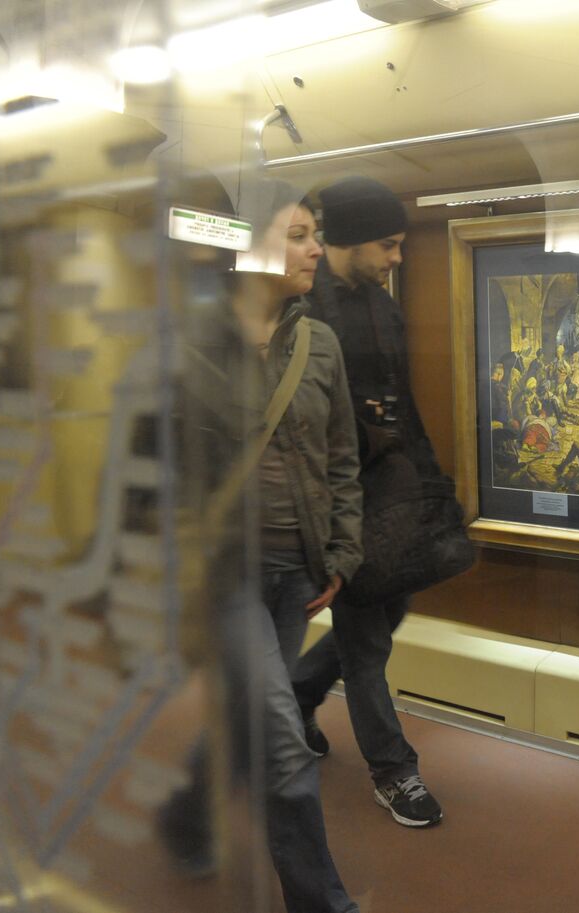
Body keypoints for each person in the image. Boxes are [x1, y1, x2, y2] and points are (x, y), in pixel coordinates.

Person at [161, 182, 363, 913]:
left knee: (252, 714)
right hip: (226, 576)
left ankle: (184, 811)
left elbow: (342, 456)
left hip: (296, 570)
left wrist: (341, 554)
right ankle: (323, 903)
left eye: (318, 235)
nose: (316, 249)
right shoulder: (187, 347)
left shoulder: (320, 343)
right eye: (302, 233)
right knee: (284, 741)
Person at [292, 175, 443, 828]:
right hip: (335, 501)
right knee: (364, 640)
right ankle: (393, 769)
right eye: (387, 244)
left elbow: (401, 402)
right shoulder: (302, 311)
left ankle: (298, 694)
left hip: (390, 490)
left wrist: (428, 480)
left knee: (391, 610)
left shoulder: (384, 307)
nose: (397, 258)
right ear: (348, 241)